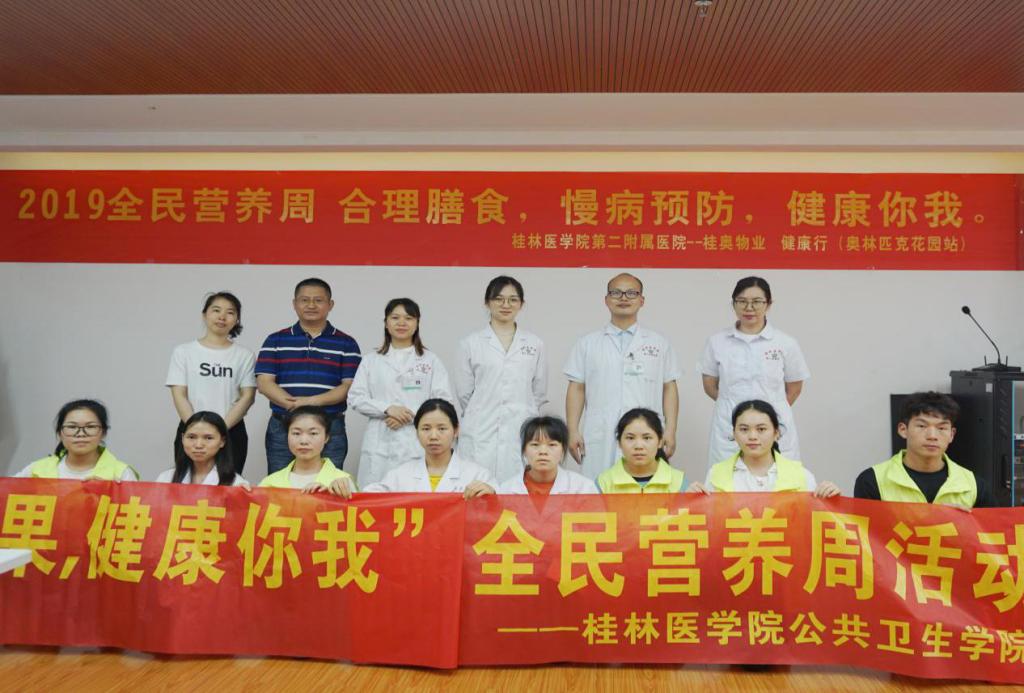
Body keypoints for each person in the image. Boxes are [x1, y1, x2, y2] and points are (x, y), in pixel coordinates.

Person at [565, 273, 681, 479]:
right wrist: (572, 430)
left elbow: (669, 387)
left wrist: (670, 430)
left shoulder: (658, 343)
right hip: (601, 430)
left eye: (631, 293)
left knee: (645, 488)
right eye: (616, 293)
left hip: (645, 430)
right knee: (598, 486)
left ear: (642, 300)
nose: (624, 298)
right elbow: (577, 387)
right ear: (606, 300)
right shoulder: (587, 343)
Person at [700, 276, 810, 468]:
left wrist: (766, 414)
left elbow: (794, 388)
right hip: (729, 426)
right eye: (742, 301)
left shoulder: (785, 343)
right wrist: (735, 408)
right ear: (733, 304)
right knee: (725, 478)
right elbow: (710, 385)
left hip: (774, 426)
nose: (749, 308)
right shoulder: (717, 342)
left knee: (780, 479)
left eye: (757, 301)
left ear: (768, 304)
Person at [256, 278, 361, 474]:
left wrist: (310, 402)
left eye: (318, 300)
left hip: (330, 426)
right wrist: (293, 406)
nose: (311, 305)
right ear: (294, 304)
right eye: (304, 300)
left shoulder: (347, 343)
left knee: (328, 485)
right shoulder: (275, 339)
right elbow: (264, 383)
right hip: (283, 426)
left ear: (330, 304)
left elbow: (349, 387)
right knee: (280, 484)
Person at [349, 298, 454, 488]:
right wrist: (388, 409)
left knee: (414, 495)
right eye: (395, 317)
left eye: (408, 318)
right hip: (379, 439)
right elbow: (356, 397)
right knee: (375, 495)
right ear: (386, 323)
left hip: (415, 439)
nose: (402, 323)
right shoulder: (371, 360)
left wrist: (407, 414)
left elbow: (443, 400)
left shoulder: (430, 360)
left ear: (417, 323)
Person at [455, 276, 548, 484]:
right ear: (487, 302)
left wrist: (520, 410)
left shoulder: (534, 344)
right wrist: (485, 410)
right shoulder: (470, 343)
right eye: (499, 299)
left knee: (517, 487)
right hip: (481, 427)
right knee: (477, 484)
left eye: (513, 299)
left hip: (520, 424)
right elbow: (465, 393)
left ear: (521, 304)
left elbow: (539, 391)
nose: (506, 305)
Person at [854, 391, 995, 507]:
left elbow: (992, 531)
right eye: (922, 426)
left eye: (941, 428)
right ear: (903, 430)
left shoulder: (974, 486)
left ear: (951, 435)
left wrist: (966, 521)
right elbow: (865, 531)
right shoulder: (872, 480)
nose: (932, 436)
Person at [166, 291, 256, 472]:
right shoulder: (183, 352)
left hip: (231, 431)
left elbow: (248, 397)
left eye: (230, 312)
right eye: (216, 310)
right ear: (204, 315)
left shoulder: (244, 355)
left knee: (228, 485)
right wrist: (196, 430)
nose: (222, 316)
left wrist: (219, 431)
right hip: (191, 430)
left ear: (236, 320)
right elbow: (179, 394)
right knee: (189, 483)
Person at [687, 400, 839, 497]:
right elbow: (708, 524)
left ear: (776, 433)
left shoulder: (802, 476)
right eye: (744, 429)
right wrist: (689, 502)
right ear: (734, 433)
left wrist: (831, 500)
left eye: (761, 429)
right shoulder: (716, 475)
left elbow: (814, 525)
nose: (752, 436)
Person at [363, 399, 496, 498]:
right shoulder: (400, 475)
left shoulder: (477, 475)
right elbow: (367, 499)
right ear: (416, 432)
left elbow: (500, 507)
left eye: (442, 428)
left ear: (456, 431)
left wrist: (491, 494)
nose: (433, 436)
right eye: (426, 429)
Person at [16, 399, 136, 480]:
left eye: (90, 427)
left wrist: (110, 493)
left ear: (103, 432)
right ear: (60, 433)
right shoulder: (36, 471)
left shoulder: (121, 474)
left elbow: (134, 510)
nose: (81, 434)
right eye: (72, 427)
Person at [259, 406, 356, 497]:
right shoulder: (270, 483)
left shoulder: (343, 482)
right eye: (296, 433)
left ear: (326, 437)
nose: (304, 441)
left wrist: (332, 497)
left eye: (313, 433)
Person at [596, 408, 686, 494]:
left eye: (647, 438)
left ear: (660, 442)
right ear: (619, 443)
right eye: (630, 438)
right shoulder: (604, 483)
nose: (638, 446)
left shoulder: (678, 482)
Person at [497, 416, 593, 495]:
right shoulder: (506, 490)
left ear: (563, 450)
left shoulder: (583, 488)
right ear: (524, 451)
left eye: (552, 445)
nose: (543, 452)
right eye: (535, 444)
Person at [155, 411, 249, 486]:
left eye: (208, 438)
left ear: (222, 441)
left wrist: (242, 495)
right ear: (182, 438)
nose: (198, 445)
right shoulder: (165, 479)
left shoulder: (236, 483)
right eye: (191, 437)